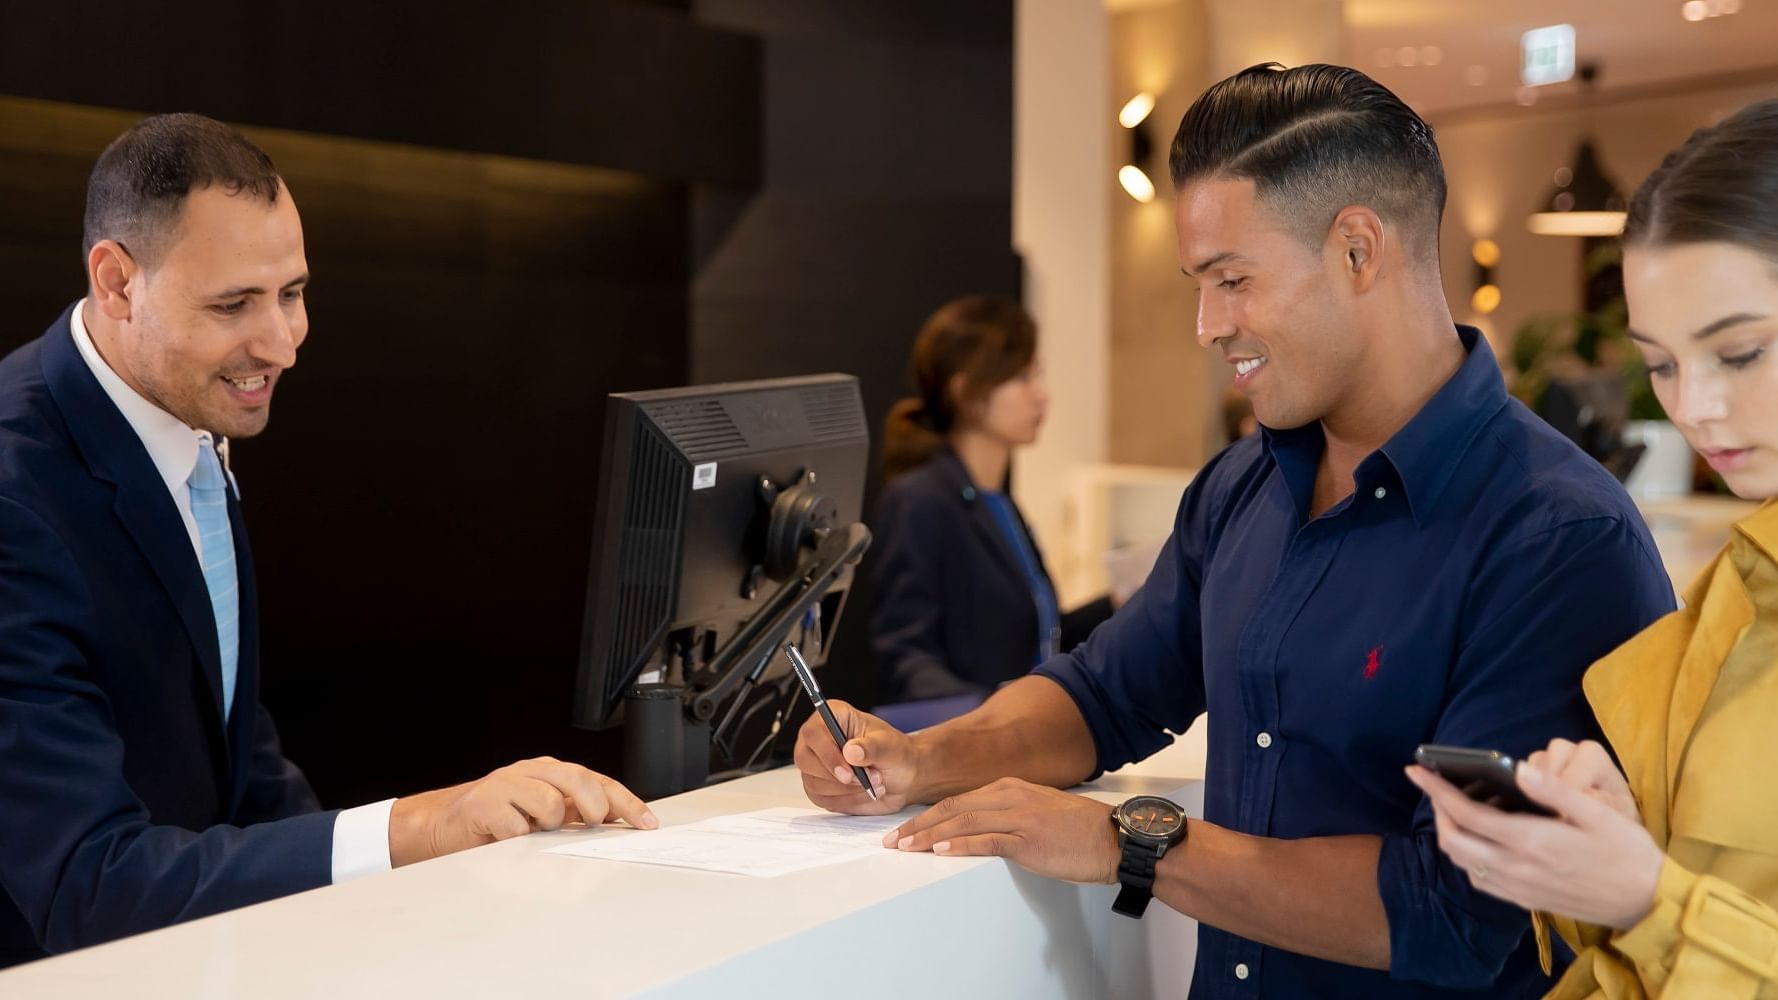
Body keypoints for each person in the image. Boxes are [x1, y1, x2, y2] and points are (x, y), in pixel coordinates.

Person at [793, 63, 1676, 997]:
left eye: (1233, 280)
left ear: (1358, 251)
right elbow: (1105, 695)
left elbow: (1454, 913)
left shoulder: (1560, 538)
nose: (1208, 324)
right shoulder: (1241, 488)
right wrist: (920, 758)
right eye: (1199, 284)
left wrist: (1130, 845)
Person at [0, 113, 655, 967]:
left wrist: (411, 902)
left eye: (293, 292)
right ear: (118, 283)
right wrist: (418, 827)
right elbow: (88, 883)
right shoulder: (14, 496)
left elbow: (237, 761)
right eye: (234, 304)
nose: (282, 345)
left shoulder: (179, 415)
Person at [1410, 99, 1778, 998]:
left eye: (1739, 354)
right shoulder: (1738, 584)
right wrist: (1609, 845)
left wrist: (1649, 898)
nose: (1692, 408)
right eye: (1661, 363)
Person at [871, 295, 1111, 704]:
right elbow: (905, 658)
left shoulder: (998, 503)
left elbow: (1042, 640)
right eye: (1021, 377)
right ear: (966, 393)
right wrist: (990, 717)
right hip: (966, 750)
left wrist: (1119, 602)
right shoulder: (919, 500)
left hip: (1017, 745)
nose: (1042, 395)